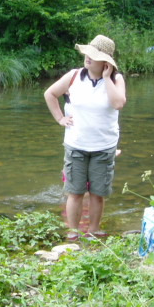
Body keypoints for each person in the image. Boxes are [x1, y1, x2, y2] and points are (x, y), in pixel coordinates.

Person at [44, 35, 126, 240]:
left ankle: (94, 229)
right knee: (75, 191)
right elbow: (50, 94)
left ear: (106, 63)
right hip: (76, 144)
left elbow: (118, 103)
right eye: (87, 53)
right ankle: (73, 231)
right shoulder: (74, 76)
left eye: (94, 55)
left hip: (104, 146)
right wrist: (60, 118)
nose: (88, 58)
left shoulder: (116, 79)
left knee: (98, 193)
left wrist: (107, 78)